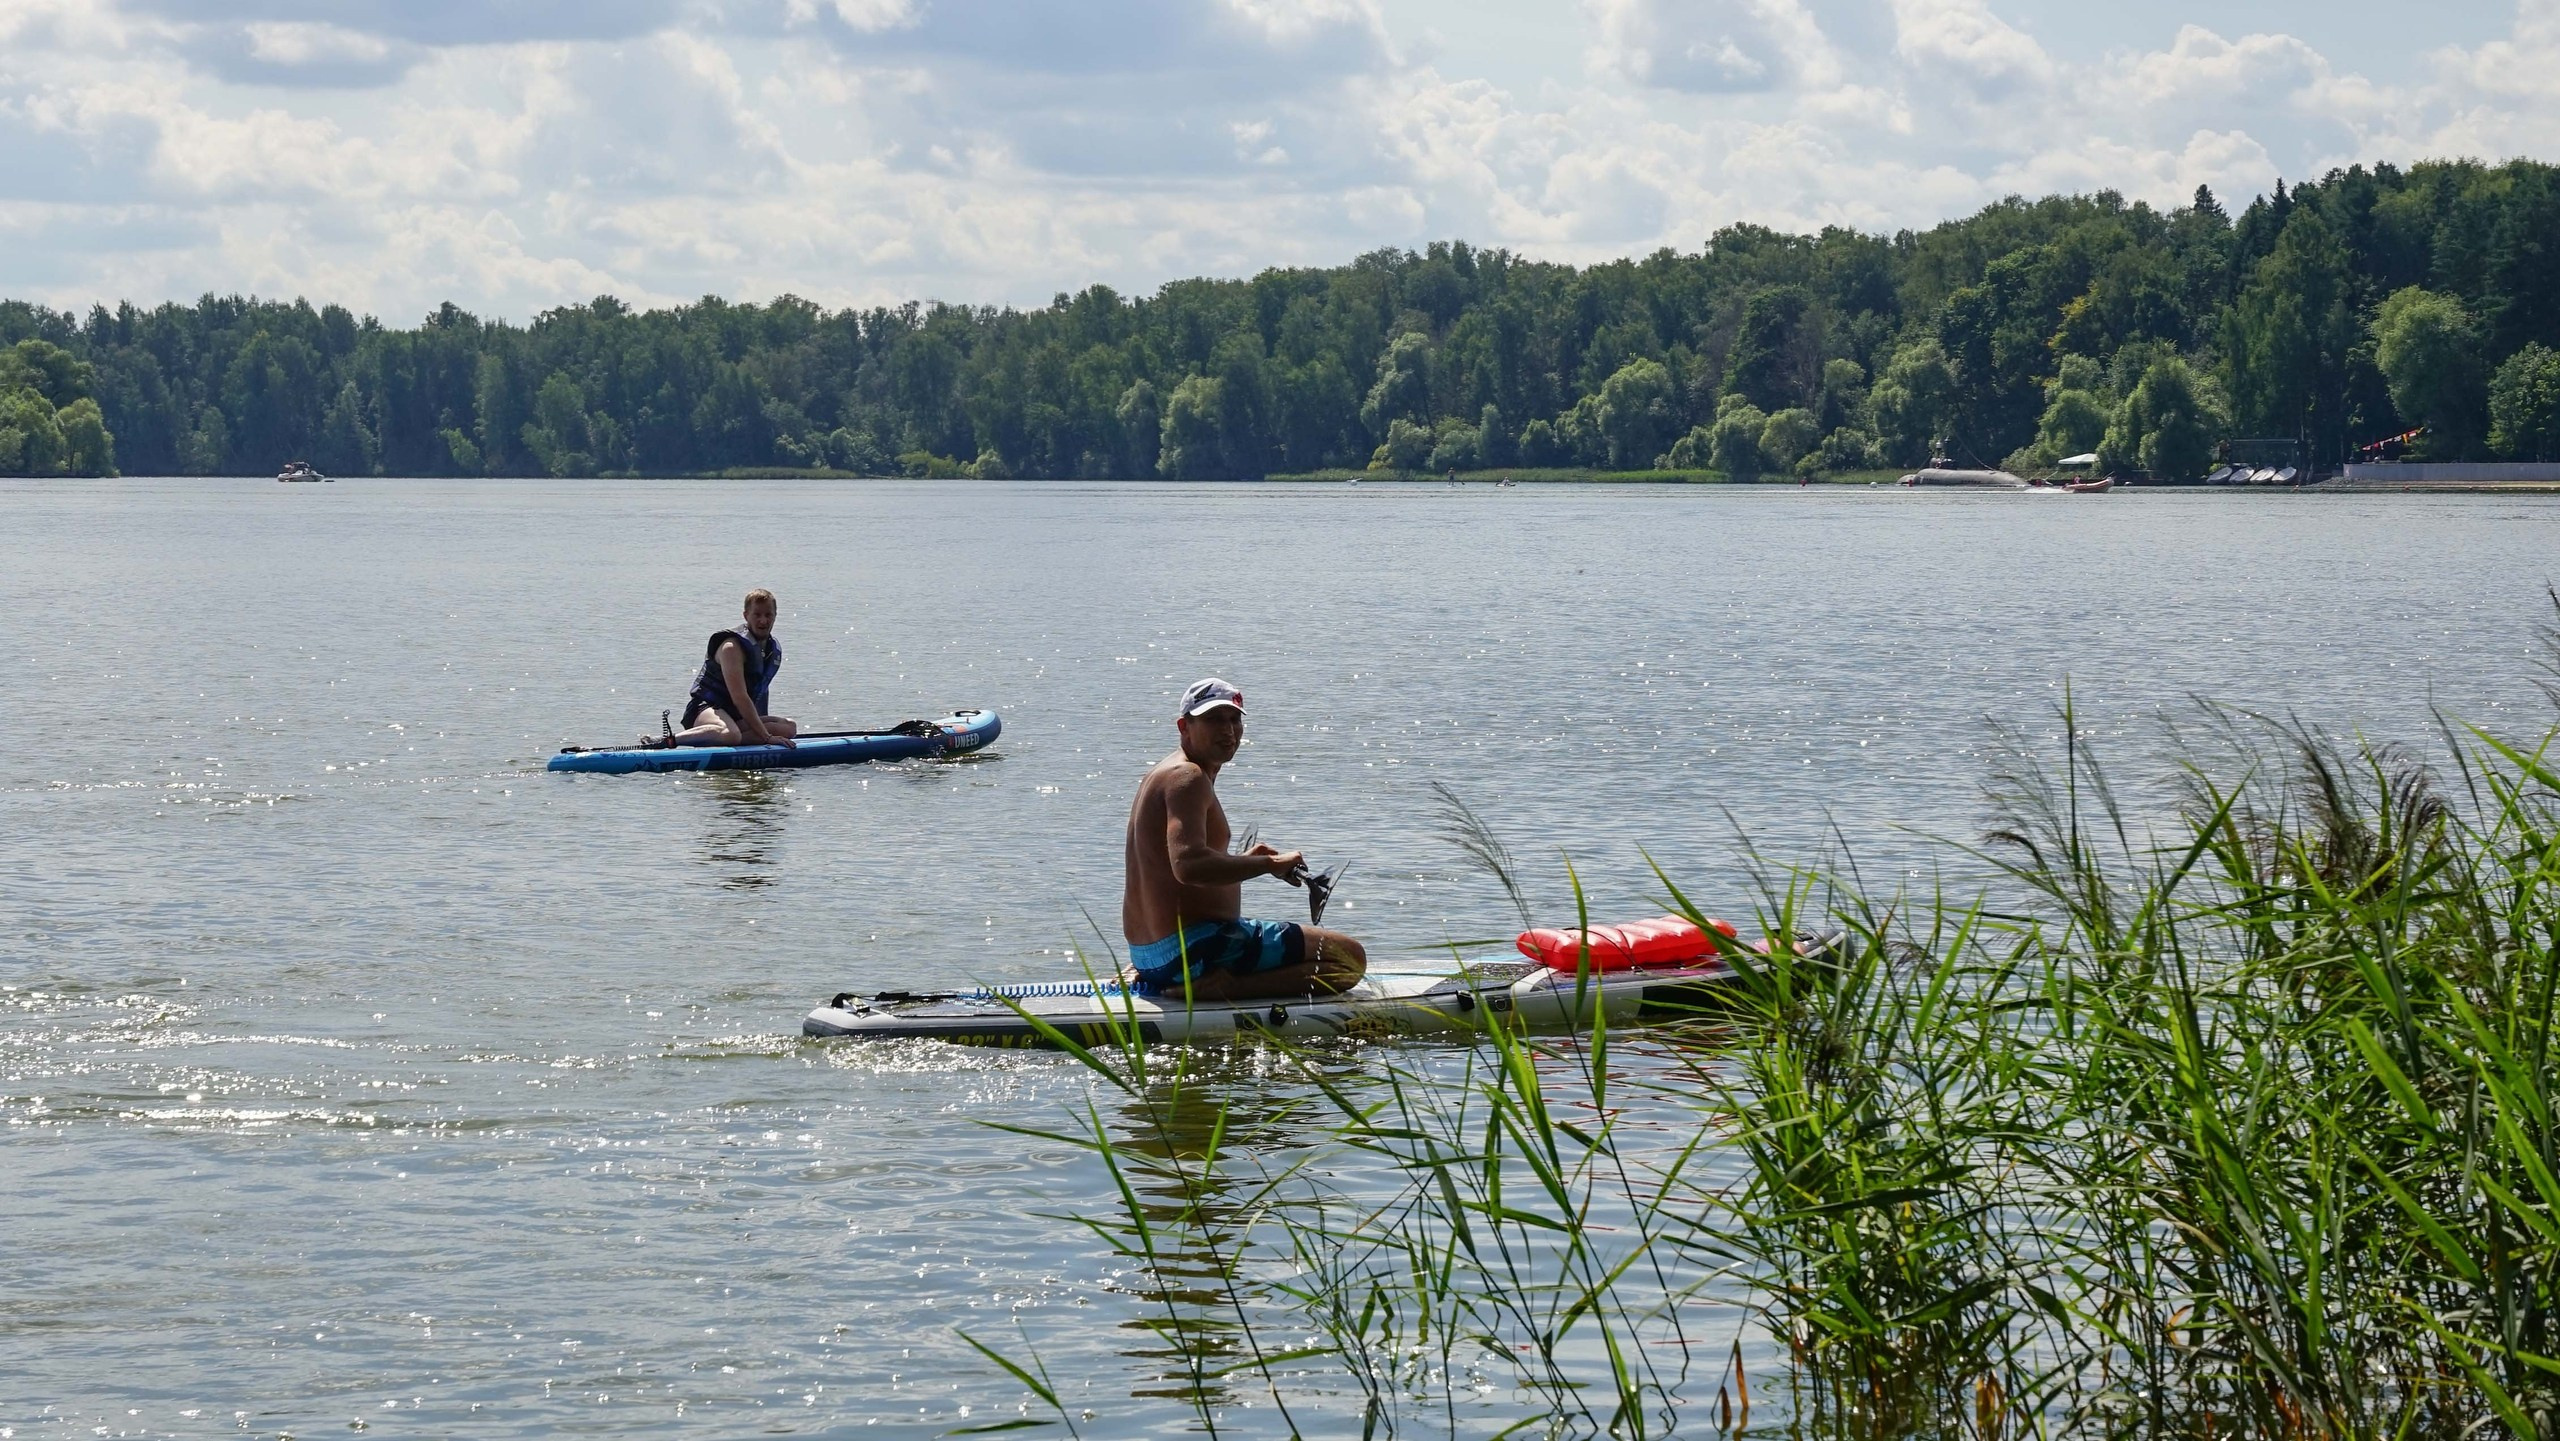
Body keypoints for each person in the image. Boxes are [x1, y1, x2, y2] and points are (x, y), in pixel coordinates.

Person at [1121, 678, 1367, 1001]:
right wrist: (1269, 864)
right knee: (1350, 959)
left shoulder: (1163, 774)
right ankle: (1226, 986)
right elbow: (1188, 866)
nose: (1228, 730)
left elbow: (1169, 869)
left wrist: (1247, 860)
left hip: (1152, 957)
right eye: (1213, 719)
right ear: (1184, 727)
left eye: (1234, 719)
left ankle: (1188, 973)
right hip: (1196, 951)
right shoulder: (1188, 777)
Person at [651, 588, 799, 749]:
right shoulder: (731, 648)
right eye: (757, 615)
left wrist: (762, 737)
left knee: (789, 727)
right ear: (746, 616)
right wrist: (766, 737)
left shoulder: (770, 650)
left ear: (775, 616)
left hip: (735, 717)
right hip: (706, 709)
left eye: (768, 615)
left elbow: (761, 693)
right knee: (730, 734)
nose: (763, 621)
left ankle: (718, 739)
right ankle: (668, 740)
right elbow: (739, 697)